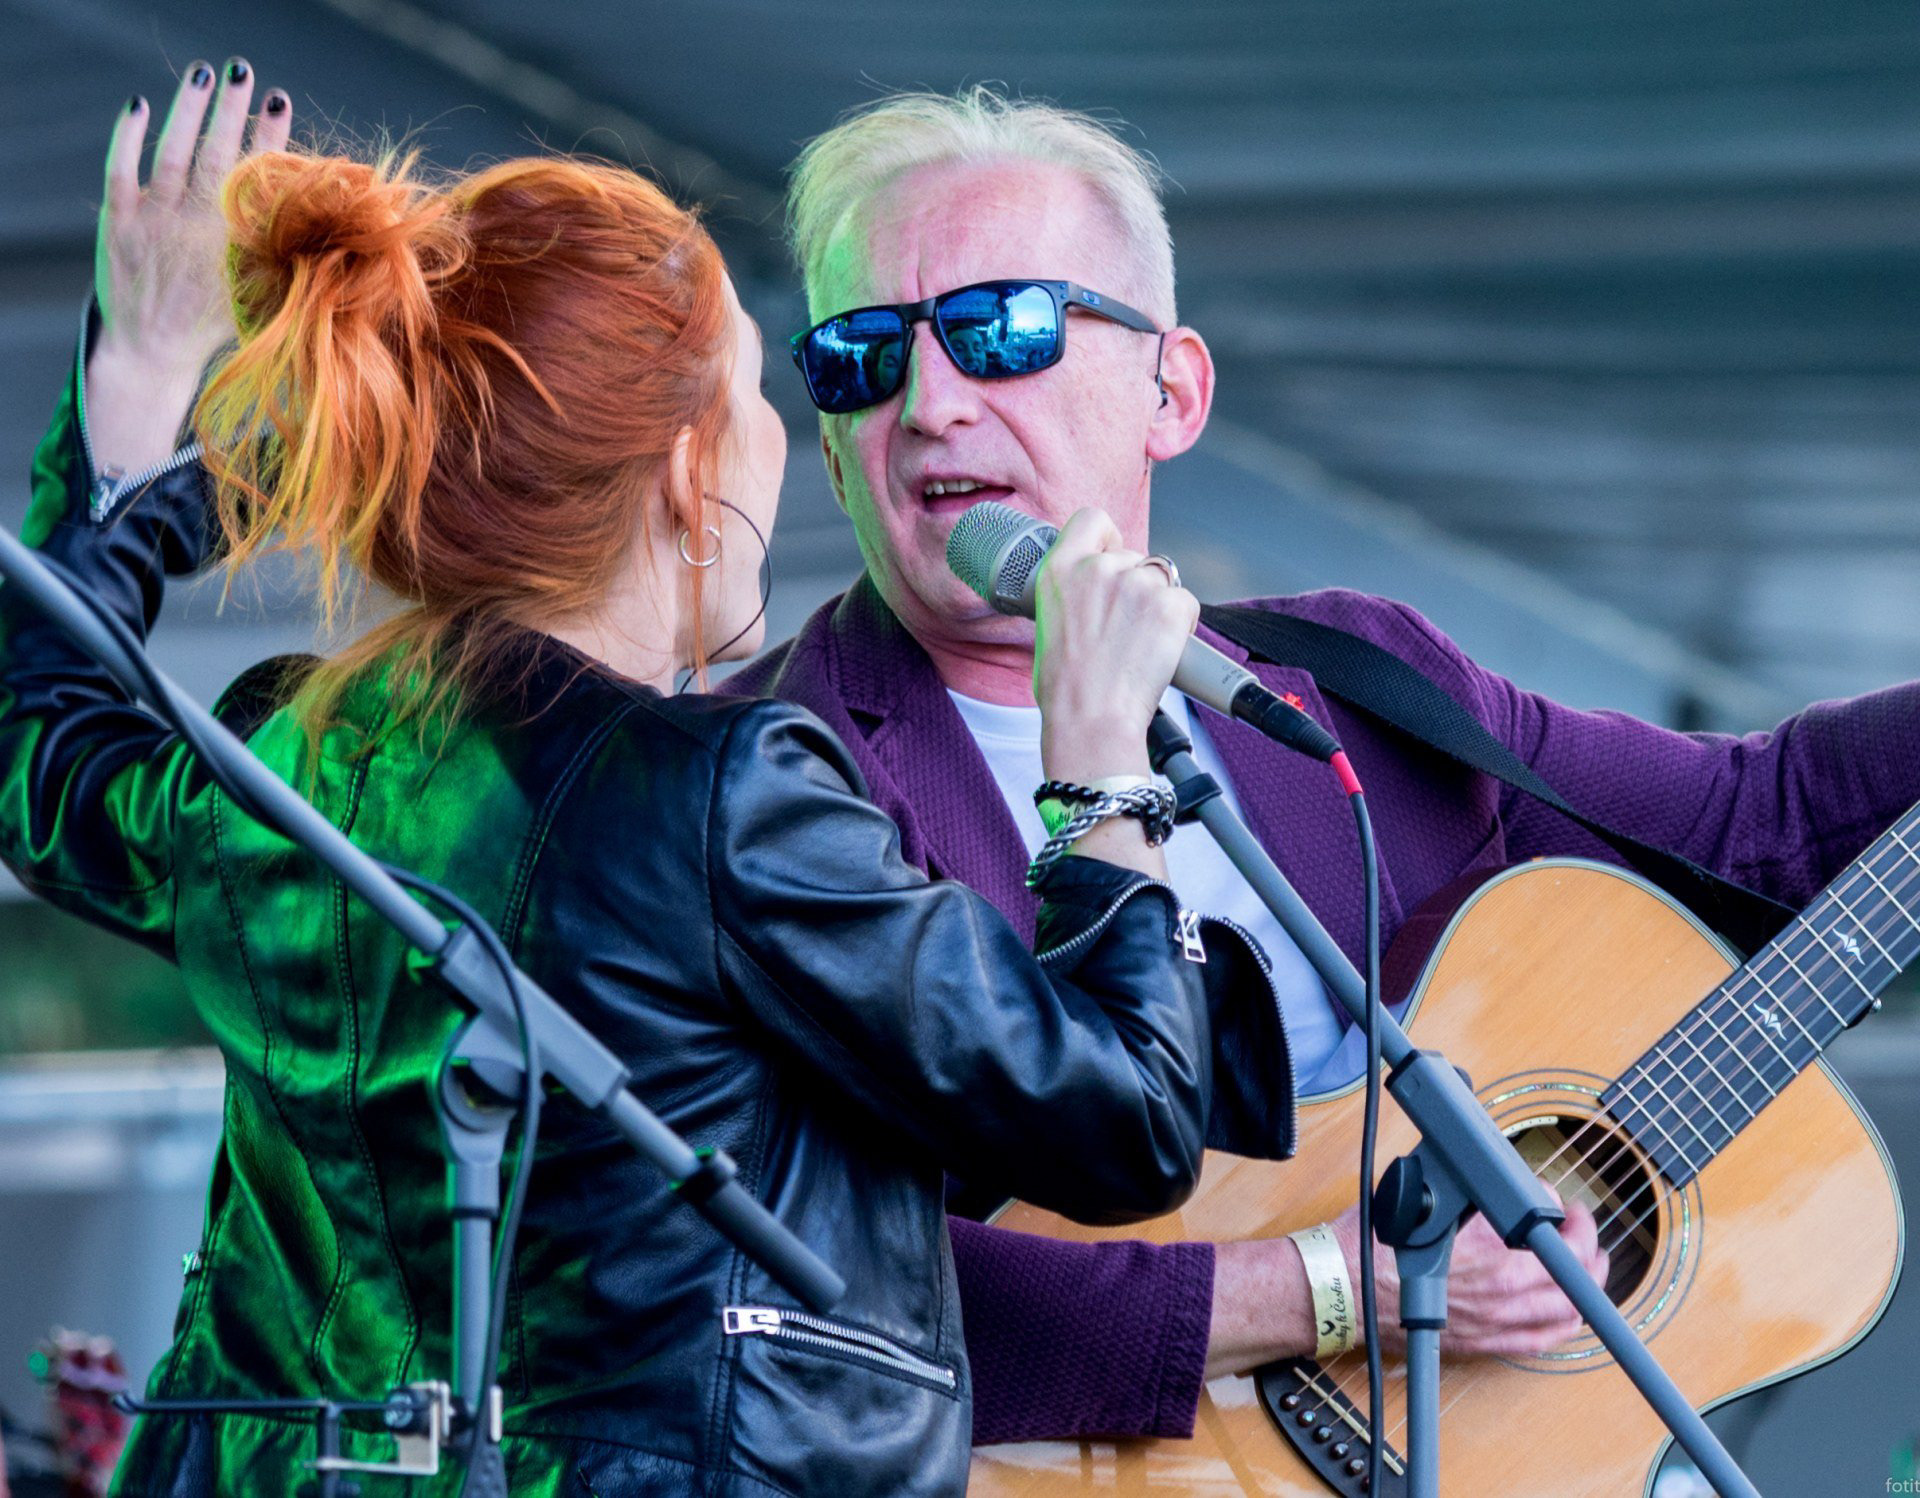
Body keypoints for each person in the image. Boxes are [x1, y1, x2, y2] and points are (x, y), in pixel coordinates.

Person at [0, 63, 1273, 1496]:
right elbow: (1126, 1119)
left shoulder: (281, 757)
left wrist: (136, 403)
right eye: (762, 389)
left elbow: (34, 749)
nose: (786, 440)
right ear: (686, 470)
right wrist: (1101, 763)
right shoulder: (723, 796)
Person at [729, 86, 1920, 1446]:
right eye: (861, 355)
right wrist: (1328, 1289)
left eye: (1004, 330)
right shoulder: (755, 778)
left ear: (1172, 391)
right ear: (831, 445)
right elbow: (788, 1279)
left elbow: (1761, 819)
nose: (930, 402)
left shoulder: (1355, 681)